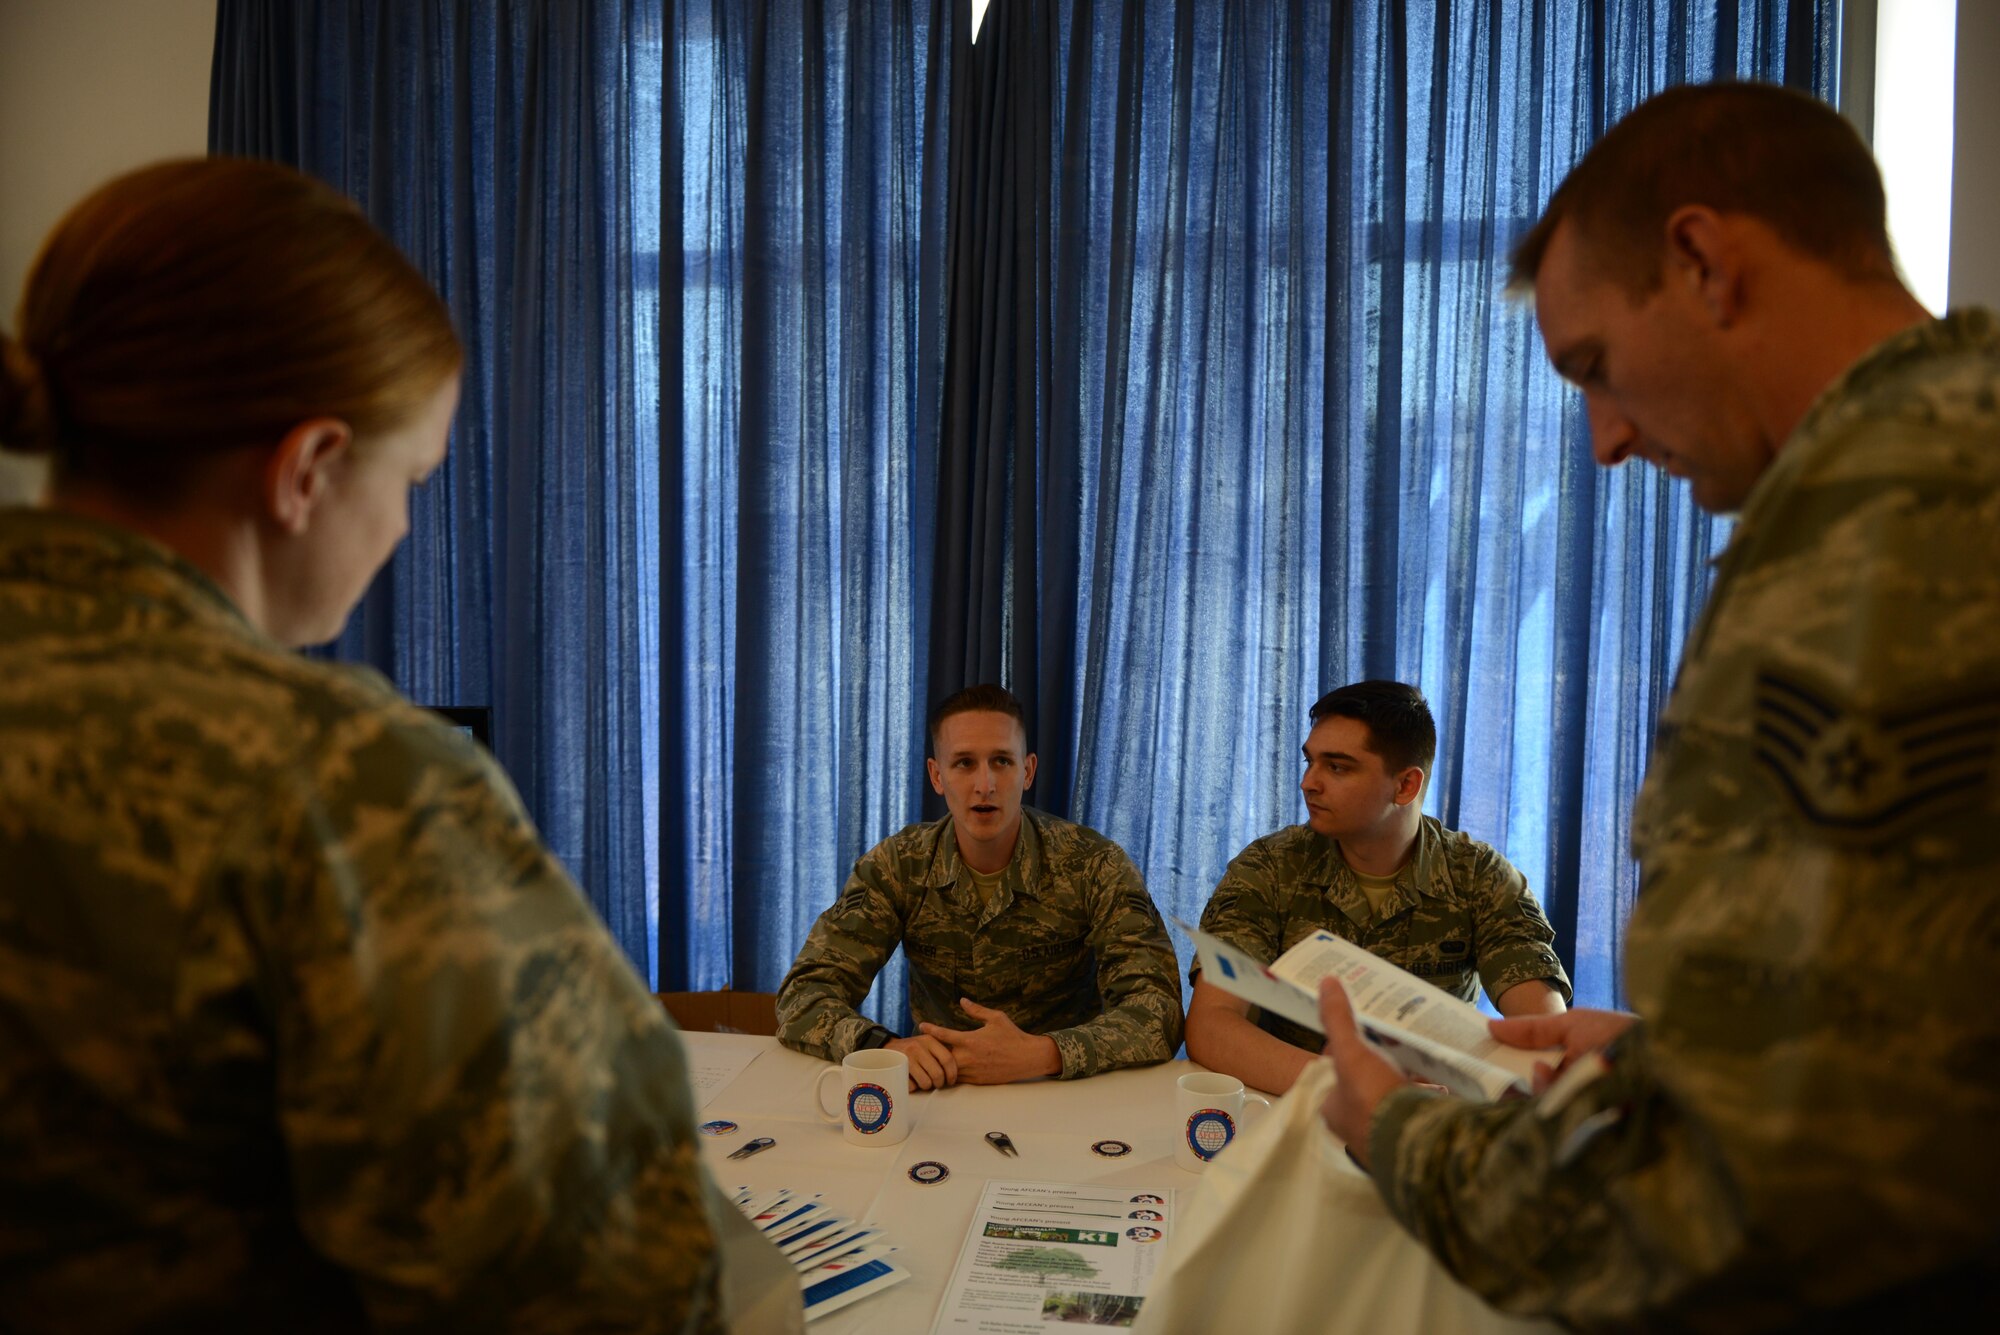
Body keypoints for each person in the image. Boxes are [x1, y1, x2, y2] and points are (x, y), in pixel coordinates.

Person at [0, 159, 788, 1332]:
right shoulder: (335, 785)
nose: (409, 524)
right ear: (308, 469)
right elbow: (614, 1289)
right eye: (413, 475)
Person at [1316, 83, 2000, 1328]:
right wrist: (1669, 1063)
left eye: (1595, 368)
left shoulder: (1872, 531)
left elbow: (1739, 1208)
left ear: (1701, 262)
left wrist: (1404, 1138)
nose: (1604, 440)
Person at [777, 684, 1184, 1087]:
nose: (985, 784)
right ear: (938, 776)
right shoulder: (898, 865)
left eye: (1002, 762)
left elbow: (1158, 1012)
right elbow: (804, 994)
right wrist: (883, 1047)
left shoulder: (1094, 864)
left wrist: (1042, 1054)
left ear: (1027, 771)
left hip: (1062, 1090)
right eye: (964, 763)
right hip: (942, 1090)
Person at [1185, 680, 1569, 1094]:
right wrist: (1354, 1085)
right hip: (1298, 1110)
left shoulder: (1479, 877)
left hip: (1431, 1123)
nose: (1308, 783)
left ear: (1405, 786)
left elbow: (1545, 1035)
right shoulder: (1271, 867)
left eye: (1336, 767)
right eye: (1309, 761)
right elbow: (1211, 1025)